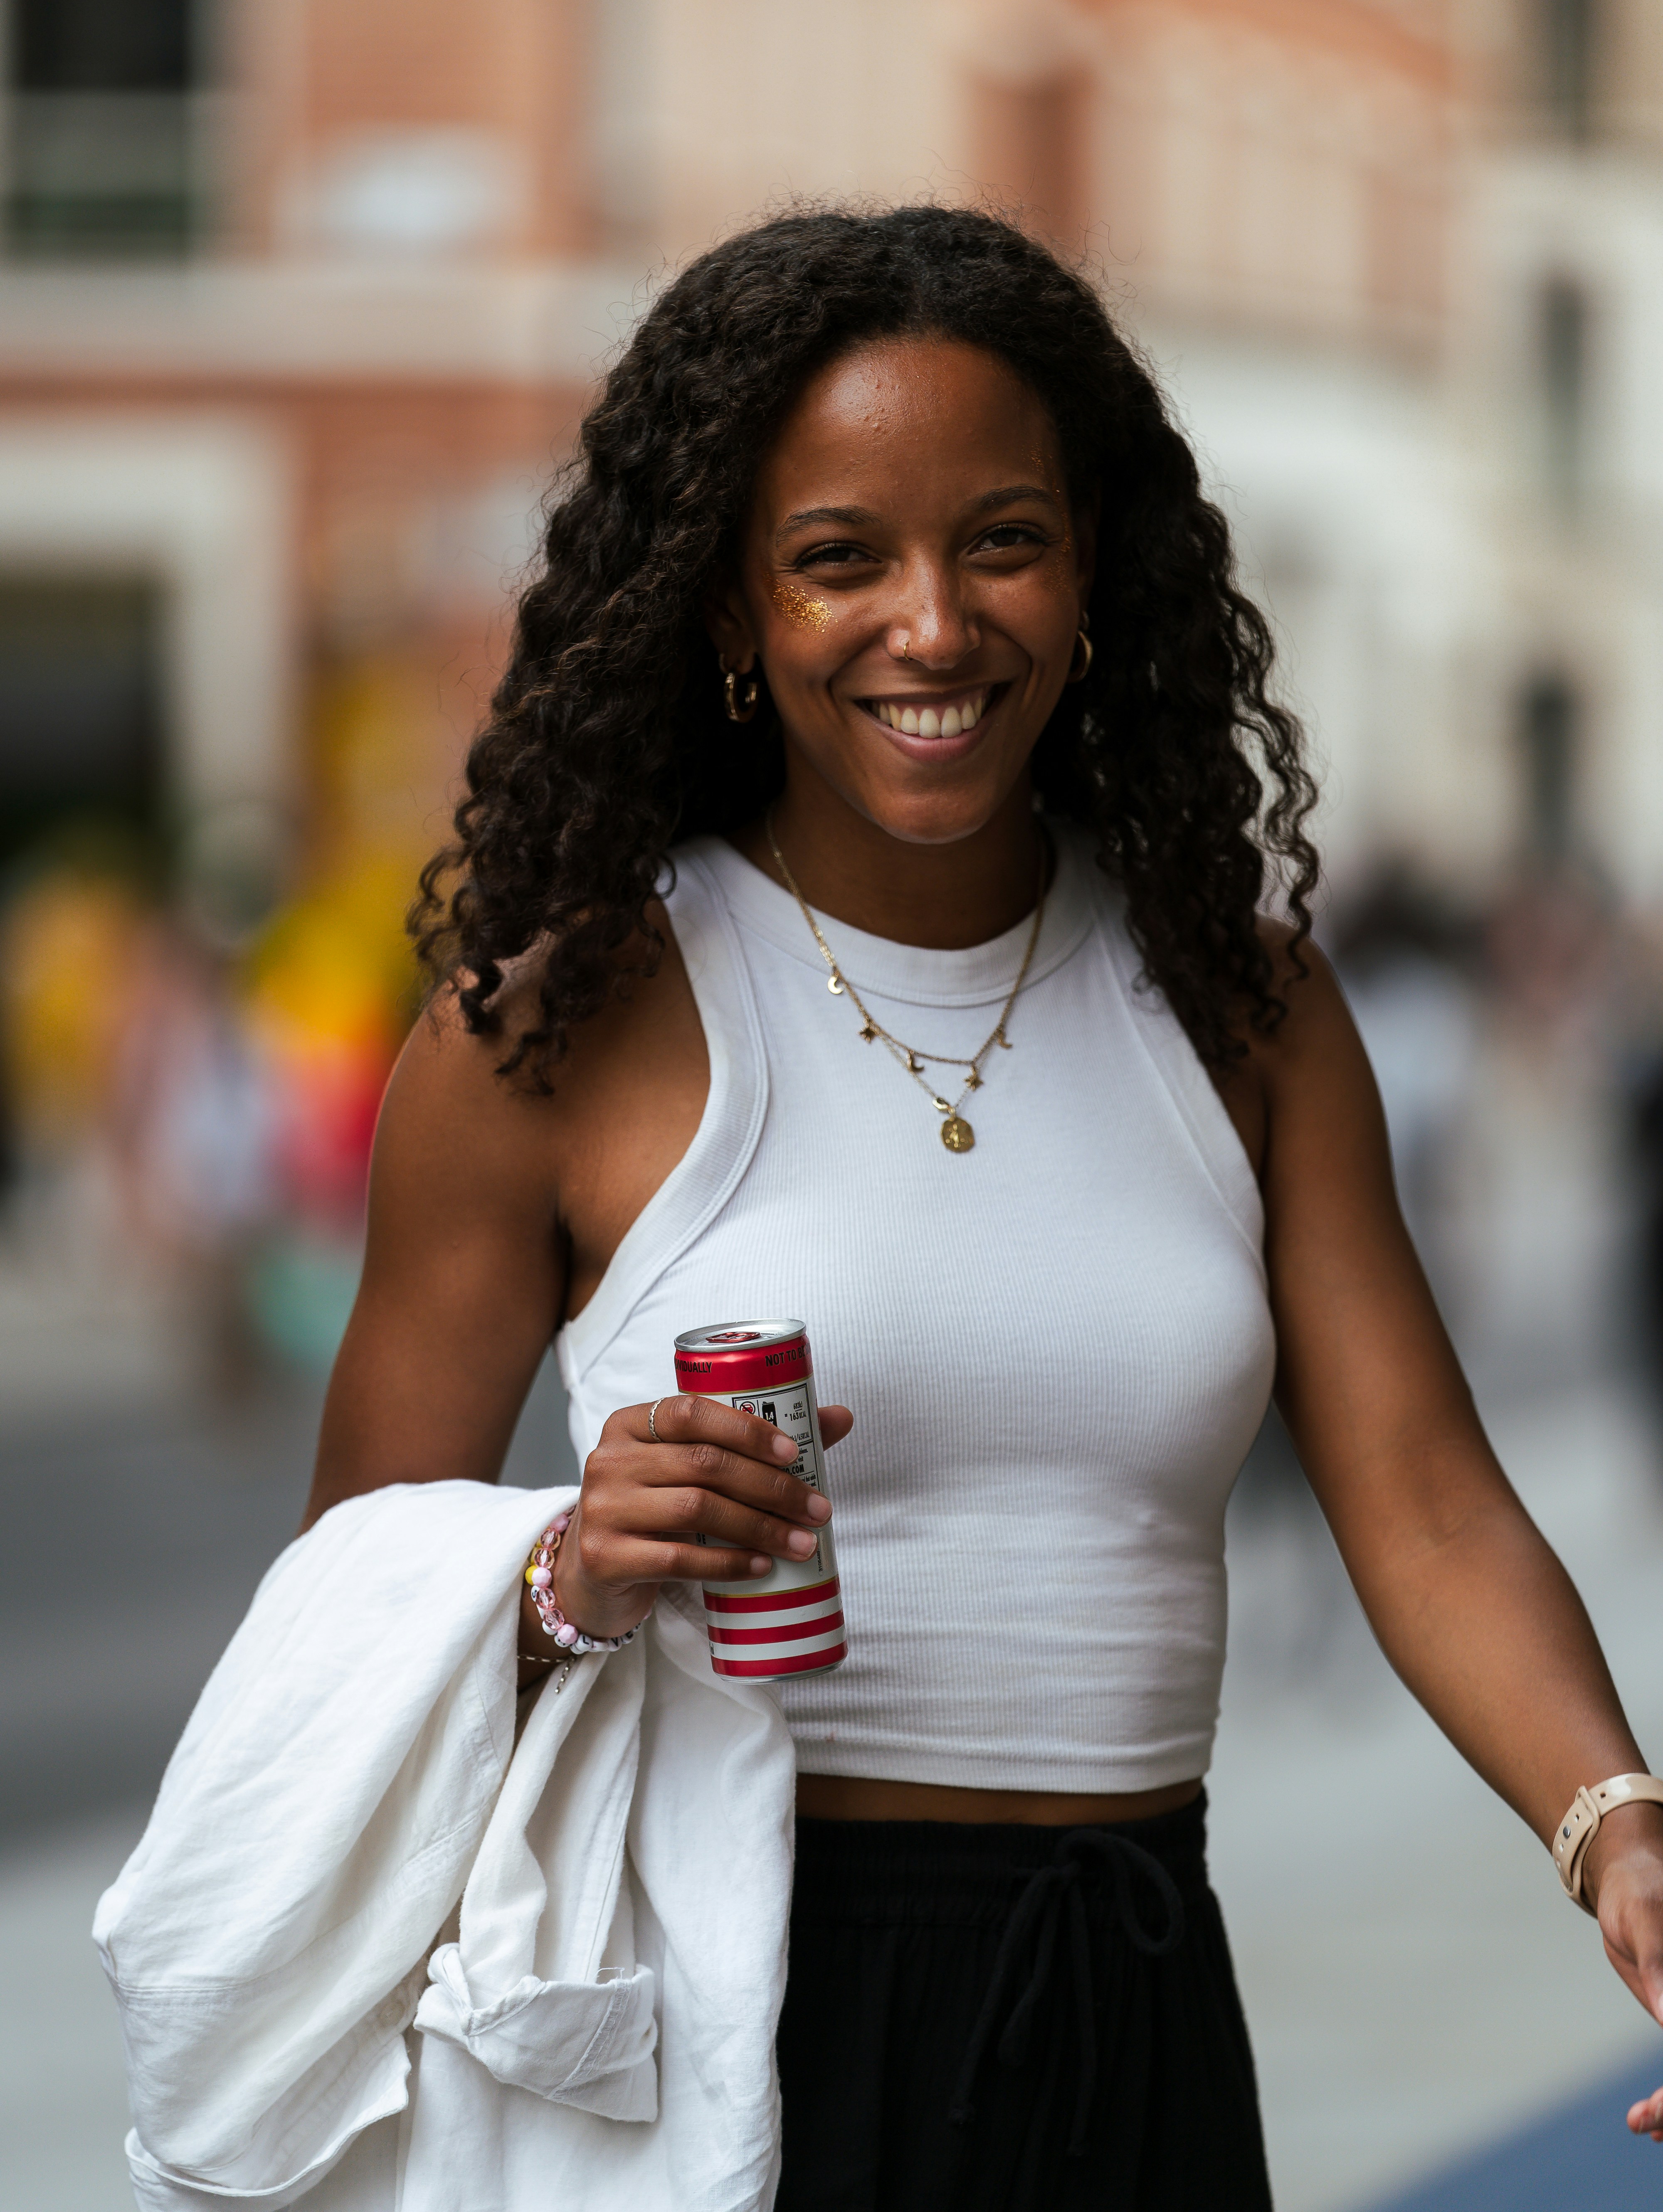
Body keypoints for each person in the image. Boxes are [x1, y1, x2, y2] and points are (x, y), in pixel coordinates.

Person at [301, 206, 1663, 2207]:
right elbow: (342, 1605)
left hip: (1130, 1987)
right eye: (839, 558)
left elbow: (1427, 1502)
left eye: (1000, 541)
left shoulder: (1242, 1005)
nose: (931, 626)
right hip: (721, 2013)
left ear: (1093, 568)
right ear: (727, 611)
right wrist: (564, 1568)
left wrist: (1615, 1822)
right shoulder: (557, 1028)